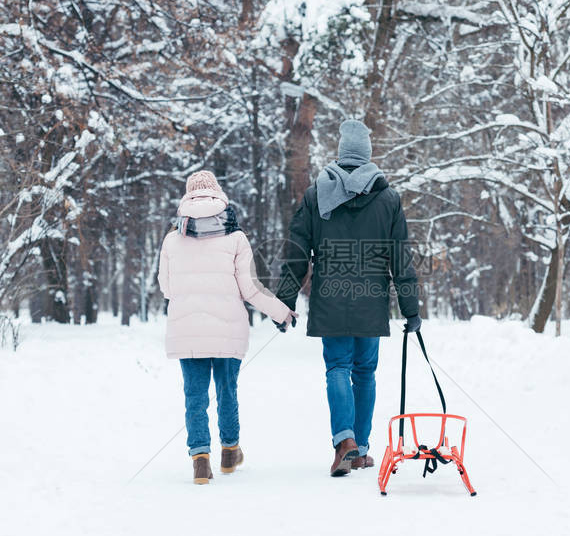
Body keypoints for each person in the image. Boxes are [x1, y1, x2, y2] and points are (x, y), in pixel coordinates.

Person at [276, 119, 421, 477]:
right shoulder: (387, 199)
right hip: (371, 296)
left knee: (337, 366)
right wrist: (410, 307)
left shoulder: (316, 194)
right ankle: (360, 448)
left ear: (341, 154)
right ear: (368, 155)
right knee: (365, 372)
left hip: (330, 294)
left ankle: (346, 442)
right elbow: (401, 257)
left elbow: (297, 251)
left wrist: (285, 300)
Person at [158, 171, 294, 484]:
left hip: (186, 329)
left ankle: (200, 460)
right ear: (219, 197)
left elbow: (166, 287)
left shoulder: (172, 238)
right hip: (228, 329)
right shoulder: (236, 237)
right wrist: (281, 312)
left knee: (194, 396)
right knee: (226, 391)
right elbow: (250, 288)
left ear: (188, 198)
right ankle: (230, 453)